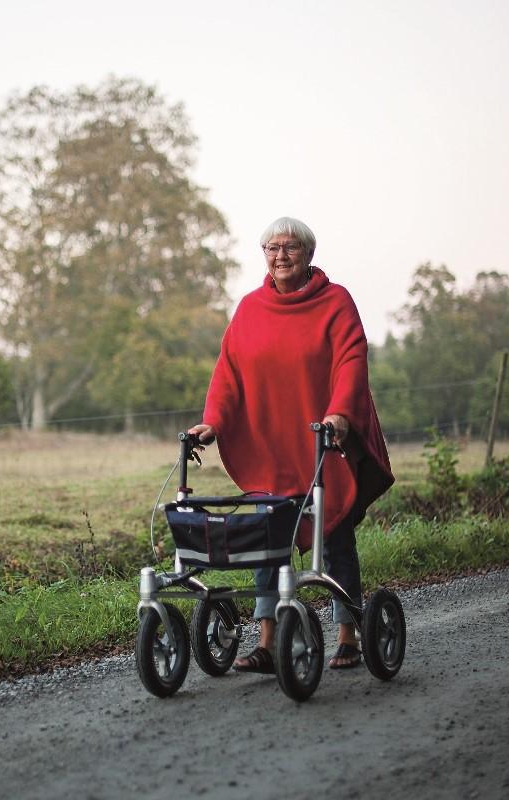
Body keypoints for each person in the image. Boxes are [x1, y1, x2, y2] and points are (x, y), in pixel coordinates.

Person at [189, 216, 393, 671]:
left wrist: (340, 412)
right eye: (272, 248)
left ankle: (348, 633)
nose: (281, 256)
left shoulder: (336, 302)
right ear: (264, 255)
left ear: (309, 254)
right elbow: (228, 373)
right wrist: (213, 423)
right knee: (268, 539)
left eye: (291, 247)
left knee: (334, 534)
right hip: (270, 446)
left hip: (324, 441)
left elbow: (351, 359)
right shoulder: (249, 308)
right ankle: (267, 640)